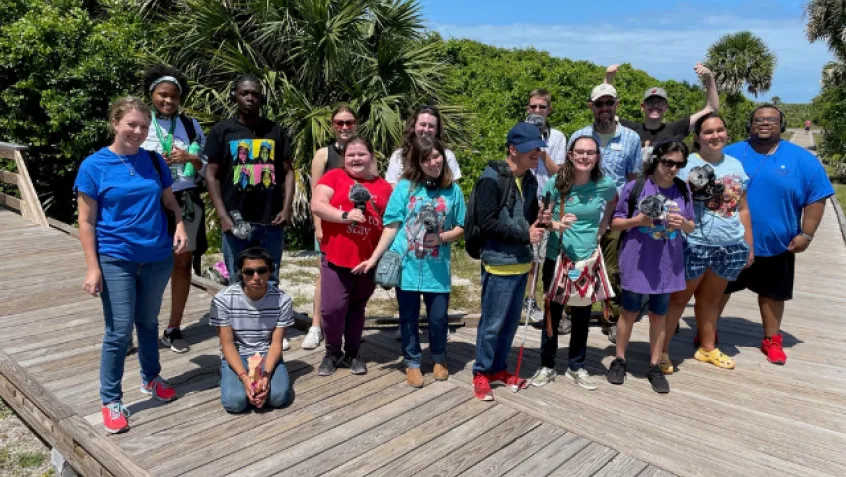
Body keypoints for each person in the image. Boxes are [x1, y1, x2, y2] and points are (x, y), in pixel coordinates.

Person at [75, 97, 188, 433]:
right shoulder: (93, 166)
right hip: (116, 257)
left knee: (149, 322)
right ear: (115, 123)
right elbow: (86, 221)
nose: (138, 132)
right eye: (132, 125)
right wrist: (92, 267)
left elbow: (169, 201)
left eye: (143, 126)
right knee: (119, 330)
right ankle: (111, 398)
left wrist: (179, 224)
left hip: (156, 257)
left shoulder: (154, 161)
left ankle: (150, 378)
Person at [722, 105, 834, 365]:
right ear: (750, 124)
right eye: (759, 120)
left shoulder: (802, 159)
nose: (764, 124)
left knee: (773, 294)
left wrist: (807, 233)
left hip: (777, 243)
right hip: (730, 240)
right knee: (718, 291)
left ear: (781, 125)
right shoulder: (730, 153)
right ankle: (708, 333)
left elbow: (817, 198)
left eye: (771, 120)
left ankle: (771, 339)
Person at [355, 135, 466, 387]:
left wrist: (442, 237)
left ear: (443, 157)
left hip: (437, 267)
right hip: (406, 264)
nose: (432, 162)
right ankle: (412, 361)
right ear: (418, 161)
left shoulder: (454, 190)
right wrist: (374, 258)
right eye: (426, 159)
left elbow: (462, 226)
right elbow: (392, 225)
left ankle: (439, 357)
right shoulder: (405, 187)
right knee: (408, 316)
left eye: (436, 156)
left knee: (438, 317)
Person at [204, 75, 295, 349]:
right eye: (244, 93)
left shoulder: (275, 130)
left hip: (271, 218)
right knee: (237, 279)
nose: (250, 98)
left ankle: (272, 332)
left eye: (255, 94)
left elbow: (289, 171)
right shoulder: (223, 131)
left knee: (271, 276)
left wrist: (287, 207)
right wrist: (222, 215)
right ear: (235, 95)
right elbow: (211, 175)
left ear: (261, 97)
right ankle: (237, 334)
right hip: (236, 218)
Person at [662, 113, 753, 373]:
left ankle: (707, 347)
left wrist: (749, 243)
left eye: (720, 130)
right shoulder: (686, 164)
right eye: (709, 132)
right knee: (679, 300)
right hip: (694, 242)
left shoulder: (735, 165)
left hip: (730, 244)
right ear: (698, 137)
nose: (715, 136)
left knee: (711, 301)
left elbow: (743, 208)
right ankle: (662, 351)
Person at [529, 136, 617, 391]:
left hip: (587, 259)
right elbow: (542, 218)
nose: (585, 157)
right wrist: (556, 224)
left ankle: (576, 366)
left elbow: (613, 201)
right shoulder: (557, 183)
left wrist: (603, 225)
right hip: (558, 257)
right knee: (552, 314)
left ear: (597, 157)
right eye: (579, 152)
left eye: (590, 153)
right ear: (570, 155)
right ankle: (547, 364)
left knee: (582, 316)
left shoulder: (604, 184)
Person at [607, 140, 694, 393]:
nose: (673, 169)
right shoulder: (636, 187)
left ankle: (654, 365)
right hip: (638, 262)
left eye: (679, 164)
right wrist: (640, 220)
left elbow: (691, 224)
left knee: (659, 315)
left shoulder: (683, 190)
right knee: (629, 312)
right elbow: (616, 223)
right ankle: (619, 359)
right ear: (656, 160)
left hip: (668, 264)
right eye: (668, 162)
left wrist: (683, 225)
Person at [471, 122, 550, 401]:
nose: (537, 154)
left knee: (510, 323)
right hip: (498, 261)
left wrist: (542, 221)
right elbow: (487, 223)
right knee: (492, 324)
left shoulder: (528, 178)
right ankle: (481, 372)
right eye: (531, 149)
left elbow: (527, 218)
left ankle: (498, 369)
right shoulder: (491, 178)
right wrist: (525, 234)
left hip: (521, 261)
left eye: (539, 148)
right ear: (513, 149)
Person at [311, 136, 393, 376]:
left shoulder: (384, 187)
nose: (356, 159)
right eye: (351, 155)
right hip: (335, 256)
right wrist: (345, 216)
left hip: (366, 260)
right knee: (332, 309)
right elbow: (317, 204)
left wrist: (378, 258)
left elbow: (391, 222)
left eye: (361, 154)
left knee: (357, 308)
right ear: (344, 159)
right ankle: (332, 351)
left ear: (371, 157)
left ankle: (353, 352)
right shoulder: (334, 177)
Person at [140, 64, 207, 354]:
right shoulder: (140, 123)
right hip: (149, 201)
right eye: (162, 95)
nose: (168, 101)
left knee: (182, 263)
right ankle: (140, 327)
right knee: (143, 264)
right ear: (151, 95)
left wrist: (189, 156)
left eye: (174, 97)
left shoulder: (191, 126)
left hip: (185, 199)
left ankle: (174, 327)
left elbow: (204, 165)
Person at [568, 84, 642, 343]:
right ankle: (569, 309)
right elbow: (569, 176)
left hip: (615, 217)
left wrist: (630, 217)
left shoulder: (631, 138)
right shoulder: (579, 136)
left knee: (612, 271)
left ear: (616, 104)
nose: (605, 108)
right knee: (574, 267)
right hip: (581, 217)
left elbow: (633, 180)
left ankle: (611, 318)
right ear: (591, 107)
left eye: (609, 103)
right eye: (599, 104)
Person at [210, 247, 294, 413]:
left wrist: (266, 376)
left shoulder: (283, 300)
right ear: (240, 273)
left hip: (266, 353)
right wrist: (245, 378)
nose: (256, 277)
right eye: (249, 272)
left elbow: (276, 344)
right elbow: (227, 344)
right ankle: (228, 373)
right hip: (237, 353)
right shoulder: (222, 300)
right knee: (235, 403)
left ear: (270, 272)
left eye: (261, 271)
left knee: (278, 397)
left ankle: (237, 379)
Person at [303, 105, 359, 350]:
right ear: (332, 125)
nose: (344, 127)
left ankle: (347, 327)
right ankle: (316, 326)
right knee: (325, 275)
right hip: (329, 225)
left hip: (356, 226)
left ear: (356, 124)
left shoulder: (363, 152)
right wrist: (318, 226)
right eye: (339, 122)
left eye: (348, 122)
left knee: (354, 276)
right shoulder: (322, 155)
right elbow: (315, 195)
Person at [522, 89, 568, 327]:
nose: (537, 111)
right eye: (533, 107)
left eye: (542, 107)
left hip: (547, 201)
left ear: (549, 110)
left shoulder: (558, 137)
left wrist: (540, 147)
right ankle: (528, 300)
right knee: (528, 254)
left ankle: (549, 303)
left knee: (544, 254)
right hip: (524, 200)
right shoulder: (519, 131)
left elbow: (558, 172)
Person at [604, 63, 719, 147]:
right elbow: (605, 114)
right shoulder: (632, 130)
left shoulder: (675, 129)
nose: (655, 106)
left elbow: (711, 109)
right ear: (642, 106)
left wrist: (709, 77)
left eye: (660, 102)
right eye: (651, 102)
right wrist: (608, 79)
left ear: (666, 107)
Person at [384, 105, 462, 185]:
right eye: (423, 124)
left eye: (431, 126)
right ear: (414, 125)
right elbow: (392, 188)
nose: (426, 130)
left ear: (437, 130)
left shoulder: (447, 156)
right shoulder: (398, 156)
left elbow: (453, 190)